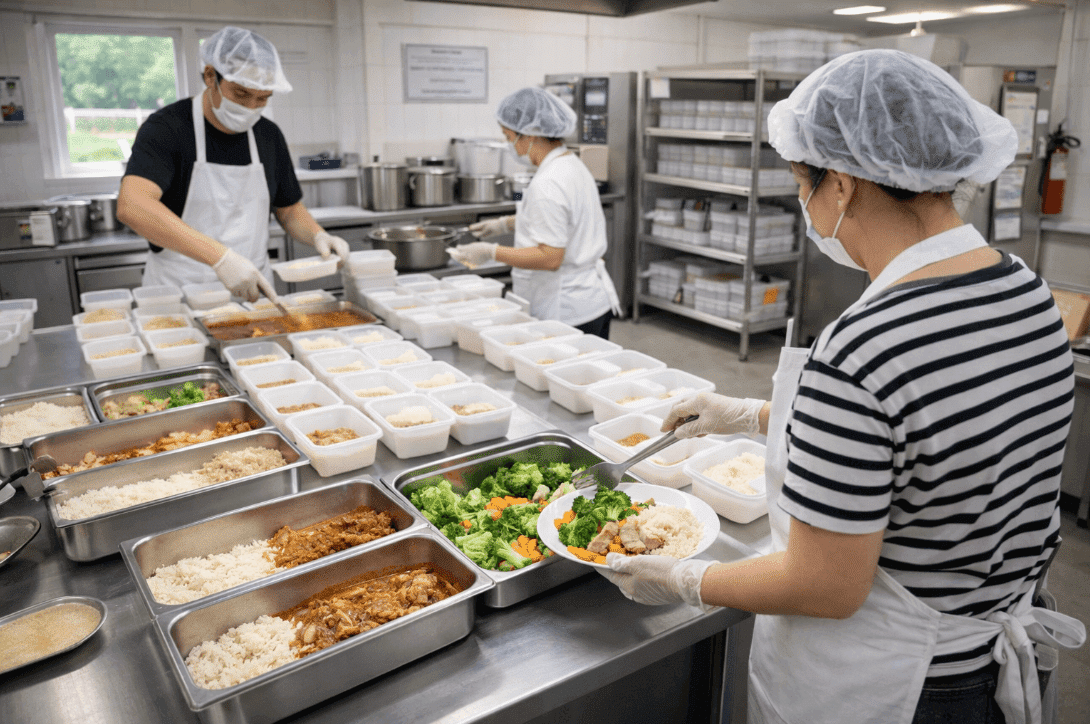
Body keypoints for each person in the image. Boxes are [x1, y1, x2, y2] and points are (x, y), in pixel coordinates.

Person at [599, 49, 1085, 724]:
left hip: (895, 687)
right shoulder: (1025, 290)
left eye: (801, 180)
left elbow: (823, 584)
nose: (802, 200)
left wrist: (684, 578)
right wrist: (750, 414)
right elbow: (932, 437)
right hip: (987, 667)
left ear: (843, 185)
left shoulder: (864, 345)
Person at [117, 26, 350, 302]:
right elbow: (133, 205)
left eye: (262, 98)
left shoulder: (268, 135)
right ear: (210, 76)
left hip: (252, 291)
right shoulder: (167, 128)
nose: (251, 107)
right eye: (240, 94)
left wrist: (317, 235)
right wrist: (221, 259)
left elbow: (287, 210)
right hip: (180, 293)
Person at [448, 87, 620, 338]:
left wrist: (491, 252)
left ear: (529, 136)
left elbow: (550, 257)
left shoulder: (548, 183)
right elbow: (563, 221)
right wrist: (505, 224)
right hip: (591, 303)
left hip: (567, 311)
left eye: (508, 137)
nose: (509, 145)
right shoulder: (570, 164)